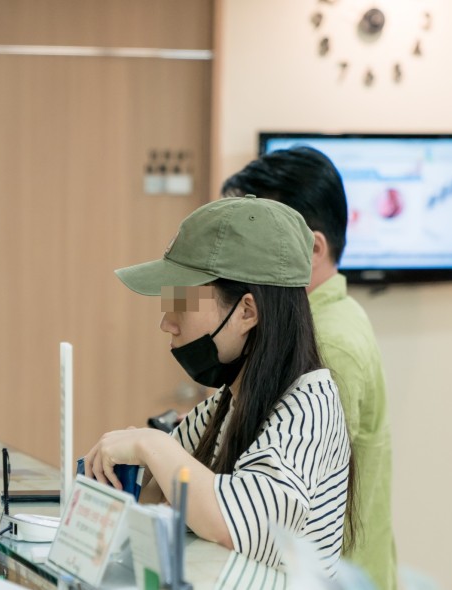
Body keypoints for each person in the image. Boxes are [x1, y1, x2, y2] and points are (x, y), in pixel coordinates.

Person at [84, 194, 355, 575]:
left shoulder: (311, 407)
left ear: (247, 311)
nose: (167, 322)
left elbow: (240, 522)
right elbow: (157, 494)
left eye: (182, 302)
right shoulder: (227, 402)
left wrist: (150, 444)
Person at [222, 147, 397, 589]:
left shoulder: (329, 343)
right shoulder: (330, 321)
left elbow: (290, 500)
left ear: (313, 248)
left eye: (256, 240)